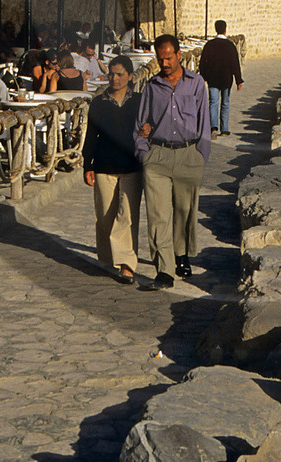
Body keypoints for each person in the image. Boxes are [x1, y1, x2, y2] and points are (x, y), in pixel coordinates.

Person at [133, 34, 210, 291]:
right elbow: (140, 124)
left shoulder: (197, 84)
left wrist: (200, 157)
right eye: (160, 58)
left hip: (189, 155)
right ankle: (164, 270)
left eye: (169, 57)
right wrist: (144, 154)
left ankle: (181, 254)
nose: (164, 63)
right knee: (158, 215)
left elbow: (204, 124)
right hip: (158, 157)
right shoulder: (152, 87)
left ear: (179, 55)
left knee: (184, 211)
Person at [83, 55, 142, 283]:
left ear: (129, 76)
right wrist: (87, 165)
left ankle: (127, 264)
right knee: (105, 215)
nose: (114, 78)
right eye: (111, 74)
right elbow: (91, 136)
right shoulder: (98, 103)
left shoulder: (139, 101)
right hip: (104, 165)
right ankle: (108, 258)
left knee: (127, 216)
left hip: (132, 165)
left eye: (120, 74)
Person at [198, 19, 243, 137]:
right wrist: (238, 80)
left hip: (212, 79)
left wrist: (203, 76)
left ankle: (213, 127)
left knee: (213, 102)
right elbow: (235, 64)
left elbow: (203, 62)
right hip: (226, 79)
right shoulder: (230, 46)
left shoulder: (209, 45)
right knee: (225, 103)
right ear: (225, 29)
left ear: (215, 29)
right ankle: (224, 129)